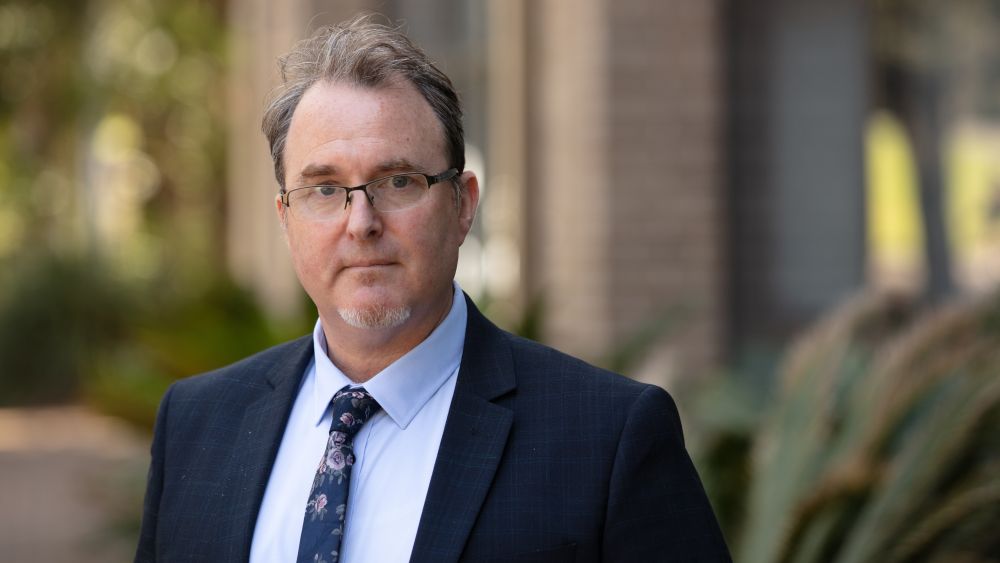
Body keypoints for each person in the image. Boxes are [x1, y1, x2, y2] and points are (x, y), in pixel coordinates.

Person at [134, 15, 730, 563]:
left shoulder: (608, 438)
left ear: (462, 204)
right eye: (323, 188)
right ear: (285, 218)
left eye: (398, 181)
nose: (361, 222)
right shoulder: (196, 423)